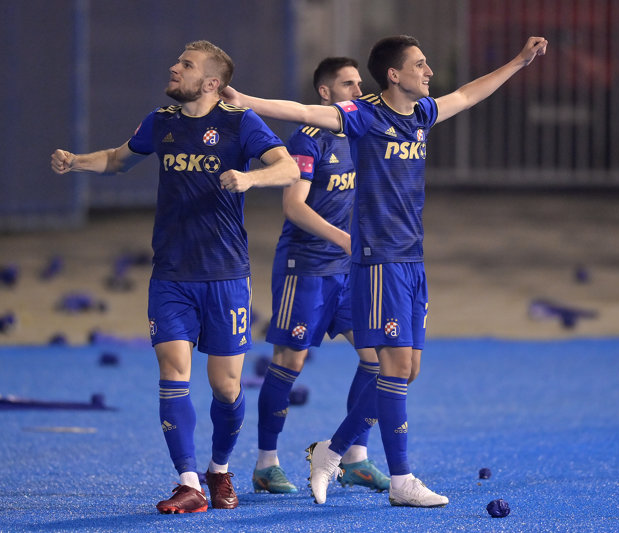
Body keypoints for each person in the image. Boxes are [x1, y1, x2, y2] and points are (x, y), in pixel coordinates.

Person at [223, 35, 548, 507]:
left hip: (412, 259)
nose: (430, 72)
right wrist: (246, 100)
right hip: (376, 263)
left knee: (406, 370)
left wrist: (518, 61)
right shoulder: (365, 117)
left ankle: (334, 451)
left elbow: (467, 95)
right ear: (394, 75)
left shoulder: (421, 114)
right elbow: (304, 112)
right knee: (382, 366)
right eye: (420, 64)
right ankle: (400, 479)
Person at [51, 40, 299, 514]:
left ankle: (219, 470)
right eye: (178, 61)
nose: (174, 67)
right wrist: (77, 161)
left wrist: (249, 178)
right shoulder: (160, 122)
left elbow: (287, 168)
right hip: (171, 274)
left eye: (185, 64)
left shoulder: (240, 122)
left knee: (226, 387)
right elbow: (118, 159)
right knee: (173, 373)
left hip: (225, 274)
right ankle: (189, 484)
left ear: (210, 83)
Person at [251, 57, 389, 495]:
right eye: (348, 84)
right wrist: (344, 239)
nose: (359, 91)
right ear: (325, 93)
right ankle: (266, 464)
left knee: (379, 358)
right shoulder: (307, 139)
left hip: (349, 271)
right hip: (306, 267)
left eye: (360, 83)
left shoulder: (361, 133)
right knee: (289, 362)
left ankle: (355, 457)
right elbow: (293, 206)